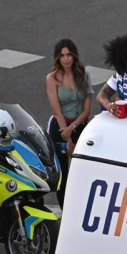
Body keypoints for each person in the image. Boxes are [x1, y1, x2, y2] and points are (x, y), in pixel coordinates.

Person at [44, 39, 91, 202]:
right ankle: (65, 212)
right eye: (62, 55)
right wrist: (68, 138)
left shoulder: (83, 74)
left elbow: (86, 110)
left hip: (79, 124)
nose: (66, 59)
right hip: (60, 128)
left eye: (69, 55)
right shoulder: (52, 78)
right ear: (57, 57)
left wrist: (73, 127)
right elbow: (57, 111)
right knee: (62, 175)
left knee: (84, 170)